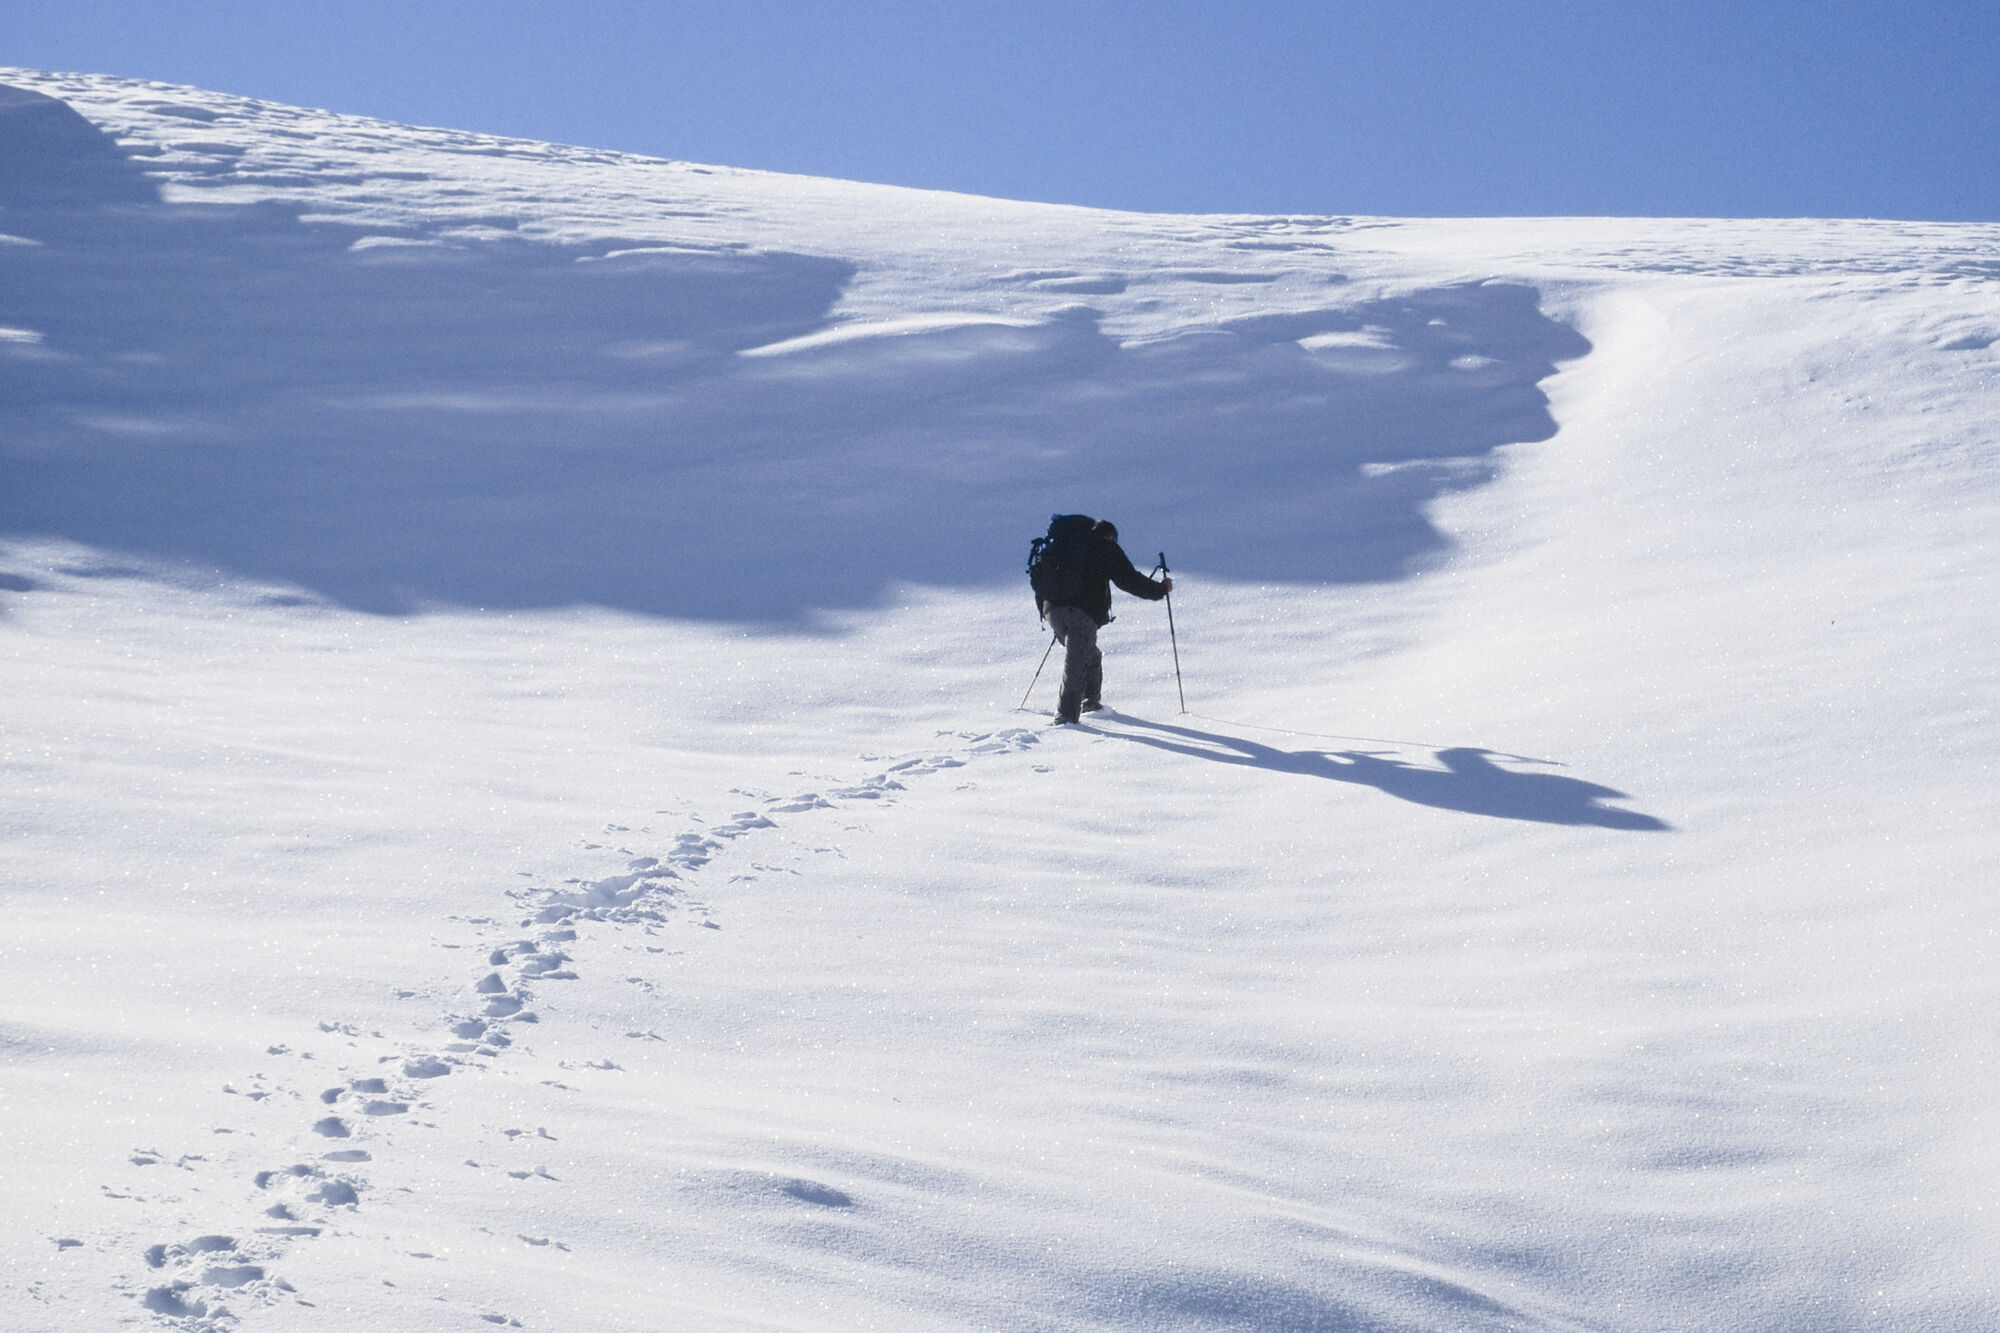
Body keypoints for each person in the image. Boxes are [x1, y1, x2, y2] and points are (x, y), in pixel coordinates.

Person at [1040, 519, 1172, 725]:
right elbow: (1129, 579)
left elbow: (1040, 581)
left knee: (1090, 655)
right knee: (1077, 662)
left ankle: (1090, 702)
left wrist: (1052, 611)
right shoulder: (1105, 547)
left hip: (1052, 610)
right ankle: (1066, 718)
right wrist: (1160, 590)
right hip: (1081, 613)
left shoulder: (1064, 547)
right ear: (1110, 535)